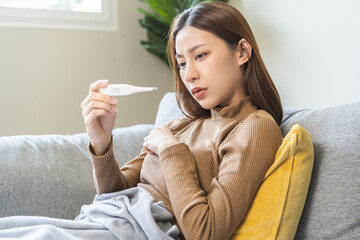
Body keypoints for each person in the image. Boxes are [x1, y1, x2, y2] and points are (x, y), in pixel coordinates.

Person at [80, 2, 283, 240]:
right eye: (182, 63)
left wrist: (171, 151)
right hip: (102, 222)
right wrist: (101, 144)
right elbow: (115, 195)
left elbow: (205, 232)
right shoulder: (181, 125)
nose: (188, 75)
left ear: (242, 52)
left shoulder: (256, 127)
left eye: (200, 55)